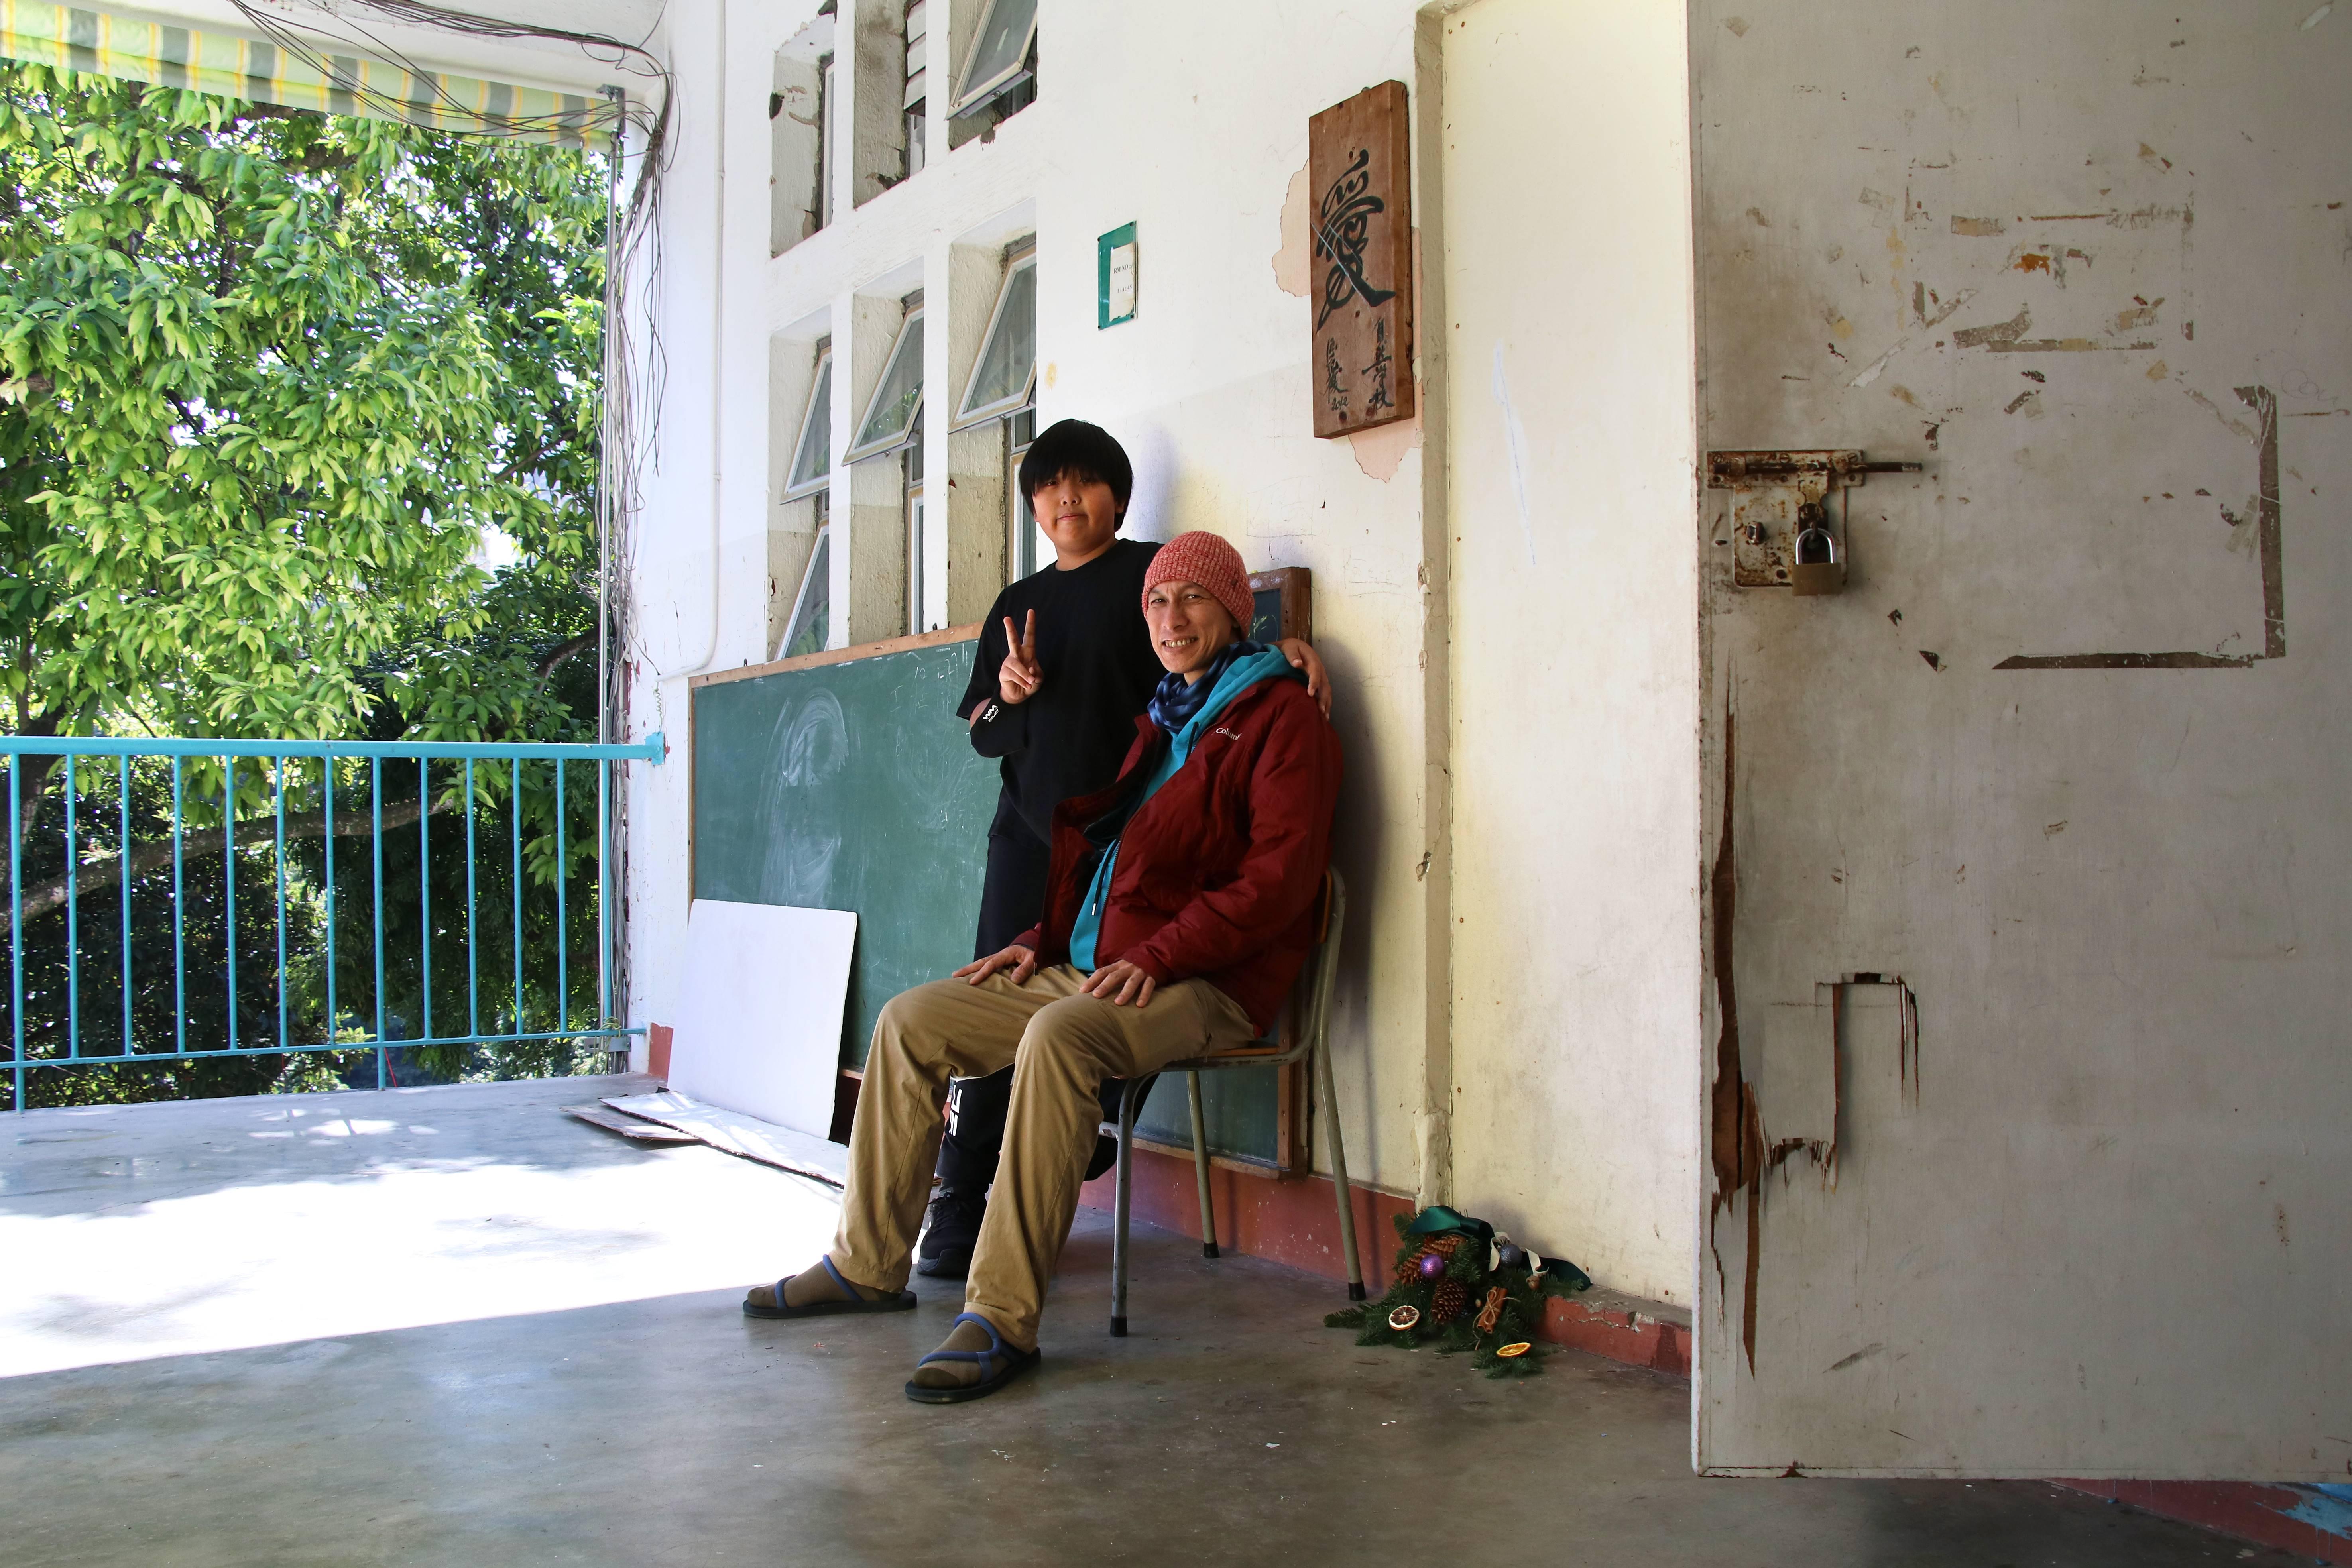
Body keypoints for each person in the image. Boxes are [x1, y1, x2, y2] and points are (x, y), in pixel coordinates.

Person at [743, 532, 1343, 1404]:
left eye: (1193, 599)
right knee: (911, 1020)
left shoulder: (1282, 717)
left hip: (1208, 981)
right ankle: (866, 1264)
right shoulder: (1166, 714)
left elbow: (1278, 882)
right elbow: (1111, 866)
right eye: (1157, 601)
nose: (1171, 618)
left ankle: (1000, 1315)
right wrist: (1042, 937)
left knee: (1059, 1038)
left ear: (1233, 611)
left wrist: (1162, 953)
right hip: (1100, 965)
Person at [918, 419, 1327, 1279]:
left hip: (1127, 841)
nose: (1066, 499)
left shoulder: (1152, 576)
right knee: (988, 1004)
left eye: (1085, 482)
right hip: (1032, 839)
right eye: (1048, 486)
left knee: (1099, 1005)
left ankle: (1079, 1142)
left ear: (1119, 496)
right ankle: (958, 1198)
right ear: (1033, 506)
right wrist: (1007, 694)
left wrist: (1283, 649)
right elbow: (982, 730)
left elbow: (1208, 659)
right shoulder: (1016, 603)